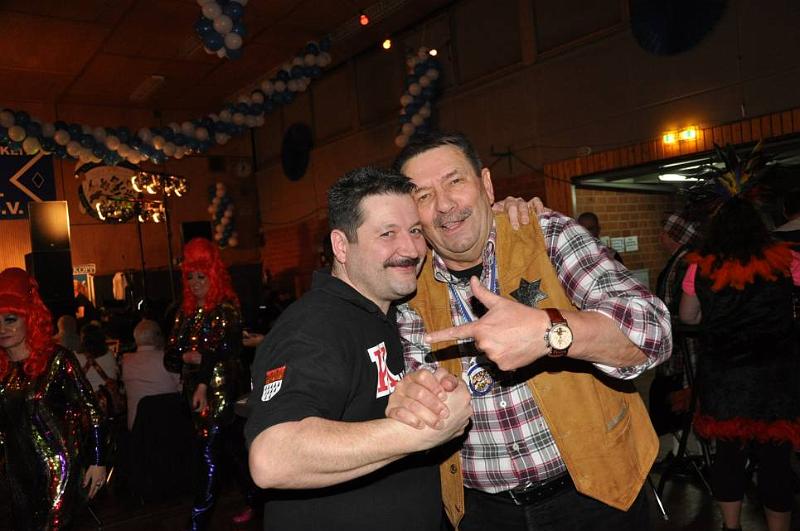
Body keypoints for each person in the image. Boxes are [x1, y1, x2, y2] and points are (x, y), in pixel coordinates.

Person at [388, 131, 672, 531]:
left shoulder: (545, 234)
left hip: (598, 496)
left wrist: (549, 331)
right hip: (482, 513)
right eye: (423, 195)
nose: (445, 204)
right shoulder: (408, 287)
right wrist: (412, 401)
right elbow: (411, 388)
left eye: (455, 181)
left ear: (486, 185)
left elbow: (653, 331)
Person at [245, 167, 473, 531]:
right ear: (340, 246)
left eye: (415, 231)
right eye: (387, 233)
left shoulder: (388, 309)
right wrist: (420, 434)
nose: (411, 249)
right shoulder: (316, 326)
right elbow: (271, 457)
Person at [679, 196, 800, 531]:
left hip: (725, 376)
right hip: (774, 377)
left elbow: (688, 316)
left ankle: (731, 527)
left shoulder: (701, 266)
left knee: (728, 456)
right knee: (776, 460)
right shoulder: (785, 259)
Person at [0, 267, 108, 530]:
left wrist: (98, 460)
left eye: (10, 319)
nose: (2, 329)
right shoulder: (2, 370)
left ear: (30, 318)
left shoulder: (57, 360)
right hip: (16, 475)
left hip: (58, 470)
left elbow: (93, 410)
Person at [164, 237, 243, 531]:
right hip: (192, 395)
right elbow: (170, 357)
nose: (196, 283)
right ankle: (256, 497)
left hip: (218, 392)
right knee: (231, 450)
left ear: (213, 276)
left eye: (201, 276)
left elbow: (223, 351)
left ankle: (196, 524)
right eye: (190, 277)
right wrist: (187, 356)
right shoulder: (184, 315)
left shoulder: (225, 310)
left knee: (209, 454)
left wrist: (201, 371)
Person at [122, 319, 181, 430]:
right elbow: (182, 388)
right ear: (158, 337)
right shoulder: (168, 359)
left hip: (136, 427)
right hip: (167, 425)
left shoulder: (125, 361)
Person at [75, 322, 120, 394]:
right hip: (106, 397)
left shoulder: (76, 356)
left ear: (83, 339)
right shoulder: (110, 355)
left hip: (86, 397)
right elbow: (115, 375)